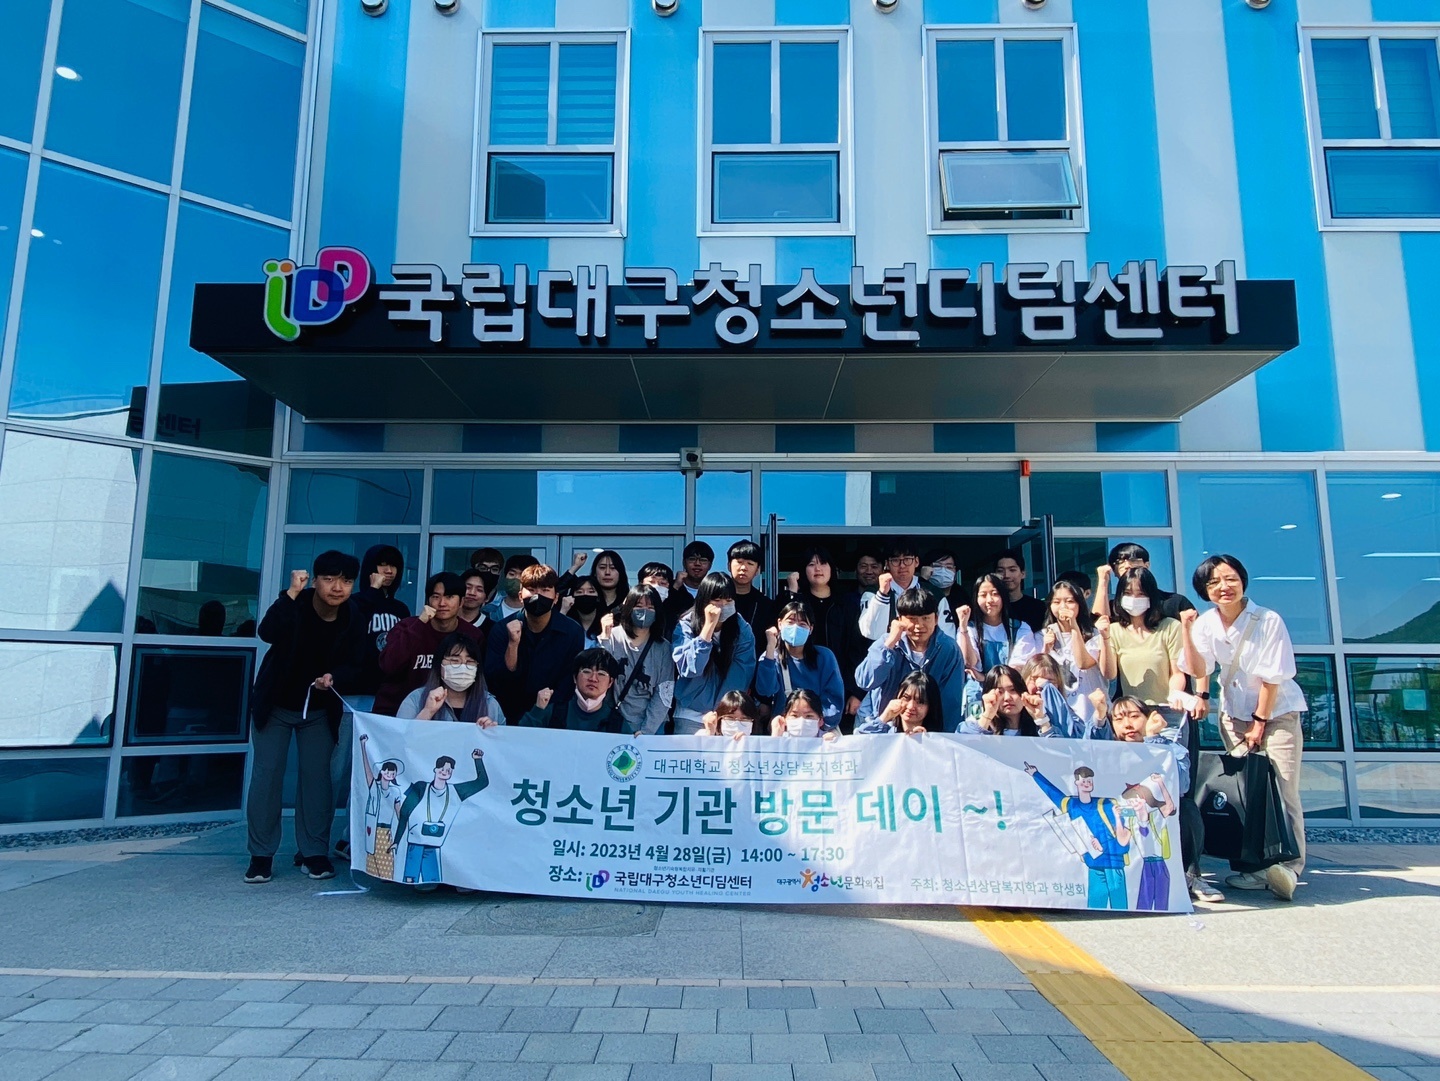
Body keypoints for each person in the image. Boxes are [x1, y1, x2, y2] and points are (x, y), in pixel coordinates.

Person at [1182, 553, 1308, 903]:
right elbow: (1198, 668)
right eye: (1214, 582)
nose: (1223, 587)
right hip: (1234, 715)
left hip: (1276, 714)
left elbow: (1272, 677)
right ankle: (1256, 868)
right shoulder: (1206, 623)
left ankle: (1290, 867)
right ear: (1204, 590)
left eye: (1230, 579)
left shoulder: (1267, 620)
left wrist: (1260, 722)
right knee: (1246, 790)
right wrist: (1187, 631)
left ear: (1242, 581)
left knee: (1283, 787)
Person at [244, 551, 365, 885]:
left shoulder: (353, 615)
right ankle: (261, 855)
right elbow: (267, 632)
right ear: (315, 580)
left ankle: (313, 853)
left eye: (346, 581)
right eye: (329, 579)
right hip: (275, 705)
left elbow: (357, 663)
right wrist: (290, 593)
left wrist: (334, 676)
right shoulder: (295, 603)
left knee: (318, 780)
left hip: (319, 709)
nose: (337, 587)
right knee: (267, 776)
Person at [337, 543, 410, 859]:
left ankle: (351, 838)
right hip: (351, 699)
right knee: (341, 771)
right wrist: (371, 593)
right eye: (382, 565)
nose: (388, 571)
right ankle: (322, 840)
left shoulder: (401, 610)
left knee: (375, 773)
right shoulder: (354, 603)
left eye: (393, 566)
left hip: (385, 700)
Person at [485, 563, 586, 727]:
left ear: (556, 598)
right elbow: (496, 680)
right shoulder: (502, 629)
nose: (538, 596)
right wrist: (513, 644)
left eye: (545, 590)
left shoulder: (572, 631)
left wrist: (543, 710)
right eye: (531, 590)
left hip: (553, 717)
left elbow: (569, 681)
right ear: (520, 596)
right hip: (509, 717)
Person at [854, 588, 967, 733]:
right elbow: (864, 681)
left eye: (925, 618)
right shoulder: (886, 643)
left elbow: (951, 702)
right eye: (912, 619)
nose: (919, 626)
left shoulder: (949, 649)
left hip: (928, 731)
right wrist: (889, 645)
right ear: (899, 620)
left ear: (936, 619)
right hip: (883, 726)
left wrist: (941, 736)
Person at [1024, 761, 1132, 910]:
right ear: (1076, 783)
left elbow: (1121, 836)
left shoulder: (1106, 804)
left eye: (1089, 781)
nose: (1087, 784)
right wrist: (1036, 774)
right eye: (1083, 781)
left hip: (1113, 863)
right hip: (1093, 864)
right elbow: (1053, 793)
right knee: (1095, 909)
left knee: (1120, 909)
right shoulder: (1071, 804)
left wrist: (1103, 846)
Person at [374, 572, 483, 716]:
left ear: (461, 602)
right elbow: (389, 665)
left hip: (445, 714)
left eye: (449, 597)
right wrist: (420, 624)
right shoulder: (407, 627)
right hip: (396, 712)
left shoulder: (472, 635)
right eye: (436, 597)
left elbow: (476, 680)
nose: (442, 603)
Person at [671, 572, 757, 735]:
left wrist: (722, 711)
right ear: (704, 600)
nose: (723, 605)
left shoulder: (742, 629)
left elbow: (742, 675)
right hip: (690, 713)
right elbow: (690, 669)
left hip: (728, 715)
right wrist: (707, 629)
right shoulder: (685, 626)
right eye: (717, 600)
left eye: (728, 600)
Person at [392, 750, 488, 887]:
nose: (445, 772)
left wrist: (477, 760)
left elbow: (482, 782)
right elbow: (404, 813)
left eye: (448, 770)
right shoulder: (421, 788)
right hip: (416, 841)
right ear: (435, 769)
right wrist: (396, 841)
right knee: (410, 878)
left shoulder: (456, 791)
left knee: (432, 878)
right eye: (442, 769)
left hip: (435, 843)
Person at [598, 585, 676, 736]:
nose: (644, 611)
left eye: (650, 607)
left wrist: (647, 730)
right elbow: (600, 675)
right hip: (614, 722)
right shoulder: (613, 637)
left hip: (652, 727)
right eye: (638, 606)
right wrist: (605, 639)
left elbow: (664, 693)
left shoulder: (664, 648)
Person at [755, 601, 845, 730]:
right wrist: (770, 647)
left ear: (811, 629)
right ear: (780, 624)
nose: (795, 627)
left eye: (802, 624)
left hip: (818, 728)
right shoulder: (770, 657)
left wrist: (815, 724)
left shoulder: (825, 657)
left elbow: (833, 701)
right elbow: (765, 690)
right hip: (785, 728)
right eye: (790, 622)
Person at [1040, 580, 1112, 726]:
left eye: (1070, 601)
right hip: (1060, 718)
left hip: (1092, 714)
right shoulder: (1043, 635)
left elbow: (1083, 663)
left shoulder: (1094, 635)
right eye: (1056, 602)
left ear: (1080, 604)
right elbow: (1038, 673)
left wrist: (1073, 625)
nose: (1063, 607)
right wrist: (1046, 649)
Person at [397, 632, 505, 726]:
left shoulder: (490, 704)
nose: (462, 667)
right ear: (439, 664)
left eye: (470, 662)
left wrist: (490, 734)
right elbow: (401, 739)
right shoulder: (416, 699)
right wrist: (427, 712)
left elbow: (502, 741)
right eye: (454, 661)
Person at [860, 539, 955, 641]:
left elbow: (948, 636)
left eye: (907, 559)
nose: (902, 565)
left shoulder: (934, 593)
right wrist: (882, 595)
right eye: (895, 560)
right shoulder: (873, 593)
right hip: (885, 649)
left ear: (916, 562)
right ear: (887, 564)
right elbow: (871, 633)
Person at [520, 649, 625, 732]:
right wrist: (538, 710)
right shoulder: (553, 712)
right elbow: (519, 739)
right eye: (587, 671)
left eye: (601, 674)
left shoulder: (618, 723)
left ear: (610, 682)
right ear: (575, 677)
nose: (593, 678)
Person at [960, 573, 1041, 674]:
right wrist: (963, 628)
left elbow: (1018, 668)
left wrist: (984, 678)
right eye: (983, 595)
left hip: (1010, 683)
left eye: (995, 594)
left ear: (1004, 597)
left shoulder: (1021, 628)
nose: (989, 600)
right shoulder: (969, 629)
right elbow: (970, 663)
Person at [1093, 543, 1195, 622]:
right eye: (1119, 562)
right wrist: (1103, 581)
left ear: (1147, 565)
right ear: (1114, 570)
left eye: (1133, 560)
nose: (1127, 565)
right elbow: (1099, 625)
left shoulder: (1175, 602)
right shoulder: (1114, 606)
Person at [839, 547, 885, 724]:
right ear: (856, 570)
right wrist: (855, 691)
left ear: (883, 569)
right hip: (853, 686)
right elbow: (847, 649)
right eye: (863, 566)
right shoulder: (846, 602)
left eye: (874, 566)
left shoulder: (891, 599)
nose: (869, 571)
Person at [779, 546, 846, 651]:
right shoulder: (799, 601)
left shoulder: (845, 603)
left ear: (832, 569)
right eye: (811, 564)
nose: (818, 569)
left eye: (823, 563)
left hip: (836, 661)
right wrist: (792, 592)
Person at [959, 665, 1057, 737]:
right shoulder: (973, 726)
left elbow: (1058, 751)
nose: (1007, 698)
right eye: (999, 692)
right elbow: (964, 747)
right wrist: (987, 716)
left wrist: (1041, 719)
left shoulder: (1041, 727)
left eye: (1013, 690)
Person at [356, 734, 404, 880]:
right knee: (372, 859)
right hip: (373, 828)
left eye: (392, 772)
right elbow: (367, 771)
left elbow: (399, 812)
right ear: (382, 771)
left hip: (387, 831)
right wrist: (363, 746)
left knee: (388, 862)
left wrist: (402, 831)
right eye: (387, 771)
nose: (389, 774)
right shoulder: (374, 787)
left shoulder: (395, 791)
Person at [728, 540, 776, 656]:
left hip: (754, 662)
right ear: (729, 565)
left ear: (757, 570)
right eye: (739, 562)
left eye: (750, 563)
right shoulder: (717, 599)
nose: (743, 568)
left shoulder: (765, 604)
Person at [869, 670, 943, 736]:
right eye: (906, 698)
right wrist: (884, 717)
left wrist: (925, 741)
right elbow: (864, 741)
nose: (911, 706)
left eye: (920, 702)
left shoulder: (938, 741)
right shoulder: (885, 733)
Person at [995, 548, 1047, 633]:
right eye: (1000, 571)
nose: (1006, 575)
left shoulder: (1039, 608)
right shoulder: (991, 607)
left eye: (1012, 570)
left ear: (1023, 574)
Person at [665, 541, 714, 629]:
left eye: (703, 560)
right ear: (684, 563)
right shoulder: (669, 586)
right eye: (692, 559)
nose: (697, 564)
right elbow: (662, 613)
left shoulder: (714, 590)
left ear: (710, 565)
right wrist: (675, 587)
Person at [482, 553, 537, 622]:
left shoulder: (539, 612)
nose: (516, 578)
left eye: (522, 575)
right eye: (512, 574)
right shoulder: (488, 611)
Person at [770, 688, 838, 740]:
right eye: (794, 715)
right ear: (784, 718)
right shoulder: (780, 740)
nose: (801, 721)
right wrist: (775, 737)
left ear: (820, 720)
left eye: (809, 716)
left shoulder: (827, 740)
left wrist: (833, 746)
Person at [561, 576, 604, 648]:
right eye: (579, 592)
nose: (585, 594)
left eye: (591, 592)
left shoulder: (606, 622)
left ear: (598, 596)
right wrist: (563, 611)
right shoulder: (568, 624)